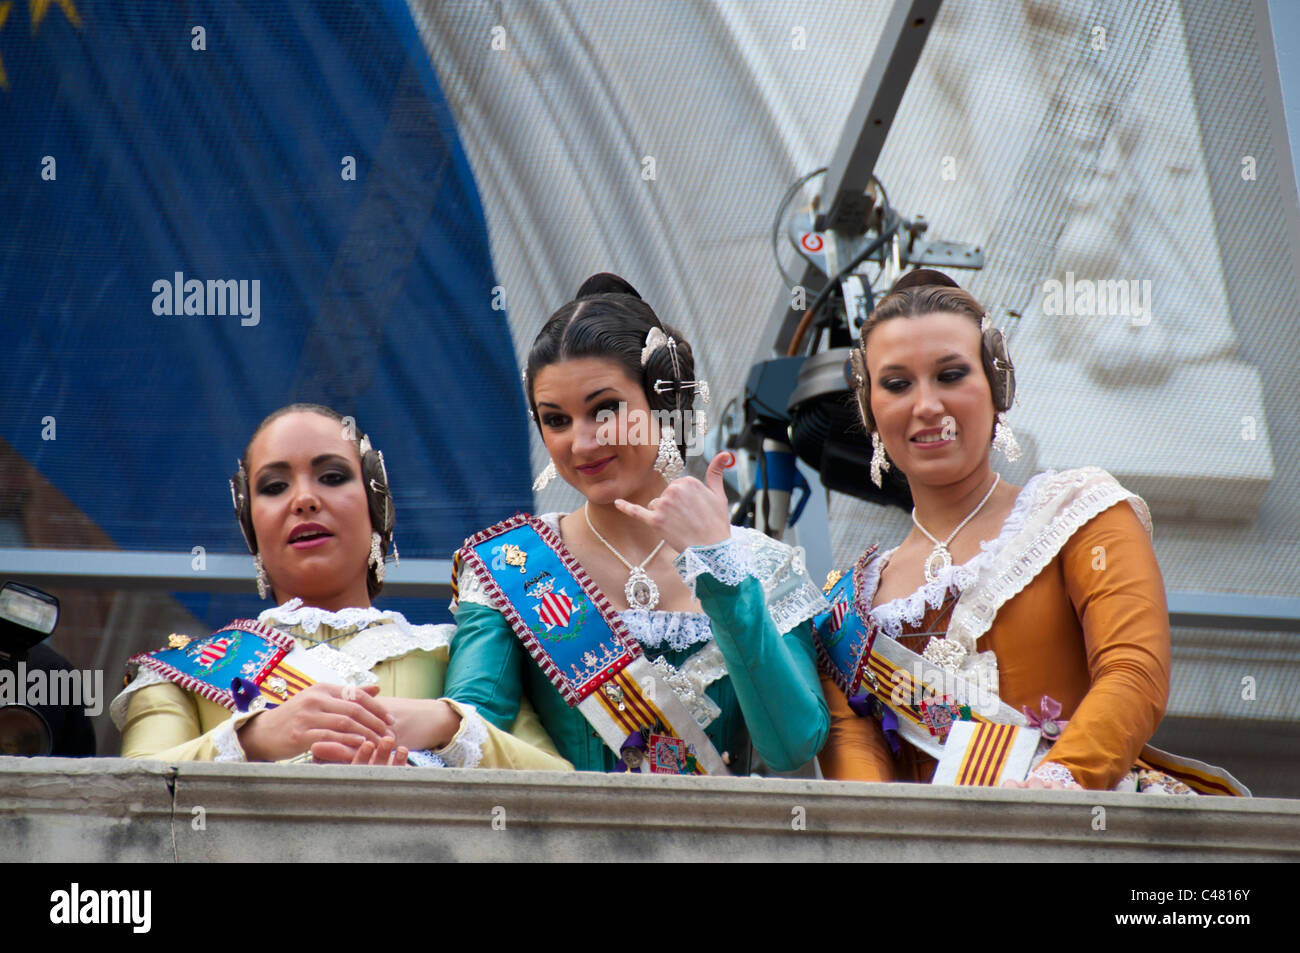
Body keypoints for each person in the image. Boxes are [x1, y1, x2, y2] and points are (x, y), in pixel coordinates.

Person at [814, 270, 1247, 795]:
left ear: (997, 390)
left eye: (950, 375)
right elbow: (861, 784)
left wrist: (1052, 789)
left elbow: (1132, 671)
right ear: (870, 410)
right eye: (897, 383)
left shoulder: (1079, 511)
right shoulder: (846, 610)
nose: (927, 405)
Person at [443, 274, 829, 774]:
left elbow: (793, 744)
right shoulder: (512, 564)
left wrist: (719, 571)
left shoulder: (761, 564)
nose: (581, 443)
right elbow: (471, 729)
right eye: (556, 420)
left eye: (606, 410)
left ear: (665, 404)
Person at [111, 404, 571, 770]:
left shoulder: (459, 658)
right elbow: (128, 799)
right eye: (273, 487)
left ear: (376, 507)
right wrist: (252, 739)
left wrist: (443, 727)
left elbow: (565, 791)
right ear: (250, 524)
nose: (305, 499)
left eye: (332, 477)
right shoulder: (178, 677)